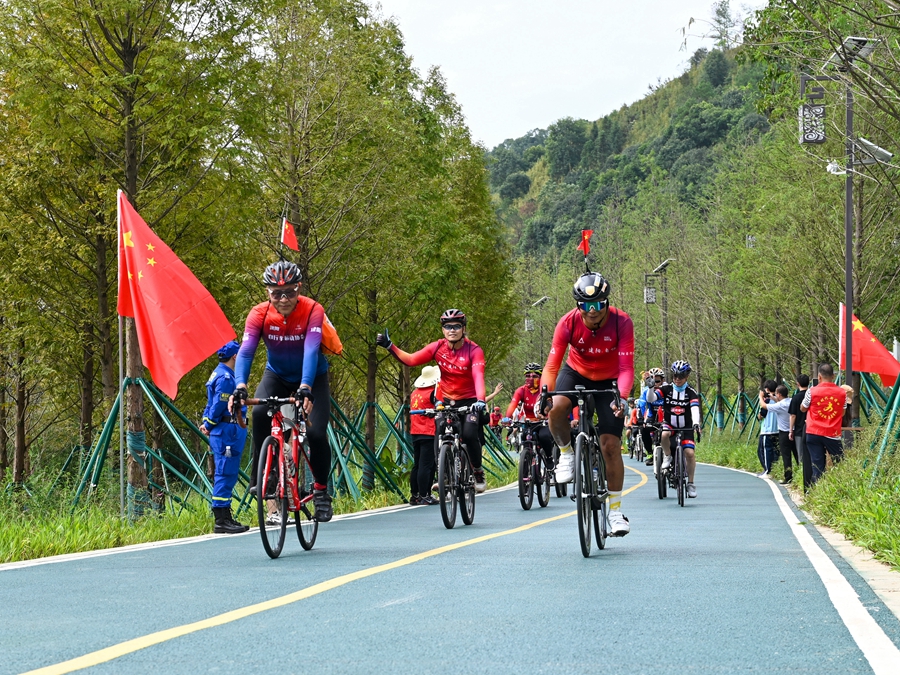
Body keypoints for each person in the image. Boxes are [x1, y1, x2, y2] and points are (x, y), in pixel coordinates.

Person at [232, 260, 334, 523]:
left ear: (298, 288)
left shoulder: (313, 309)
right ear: (268, 292)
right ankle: (264, 478)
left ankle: (322, 491)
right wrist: (240, 385)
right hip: (276, 375)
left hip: (312, 377)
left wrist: (306, 387)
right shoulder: (259, 314)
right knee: (258, 414)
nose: (284, 298)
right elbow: (246, 351)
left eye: (290, 291)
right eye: (277, 293)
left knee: (315, 432)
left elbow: (311, 349)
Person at [539, 271, 635, 536]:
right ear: (577, 305)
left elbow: (627, 367)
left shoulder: (622, 322)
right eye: (585, 306)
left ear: (606, 302)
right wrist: (544, 394)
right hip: (576, 371)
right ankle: (567, 454)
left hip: (610, 379)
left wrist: (623, 397)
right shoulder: (567, 323)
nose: (591, 311)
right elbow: (552, 365)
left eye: (597, 305)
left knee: (611, 446)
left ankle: (615, 513)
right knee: (556, 407)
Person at [377, 308, 489, 493]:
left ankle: (477, 471)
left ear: (463, 328)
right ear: (443, 329)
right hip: (445, 399)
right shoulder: (437, 347)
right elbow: (412, 360)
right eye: (447, 326)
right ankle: (443, 475)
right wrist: (390, 346)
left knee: (469, 434)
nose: (451, 330)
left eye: (456, 326)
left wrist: (481, 400)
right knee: (440, 431)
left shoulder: (474, 350)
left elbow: (478, 376)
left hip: (470, 401)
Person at [200, 340, 250, 534]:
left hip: (225, 429)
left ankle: (225, 516)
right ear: (235, 356)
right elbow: (220, 405)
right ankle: (222, 519)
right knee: (225, 472)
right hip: (227, 430)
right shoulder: (227, 378)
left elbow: (209, 404)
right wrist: (210, 423)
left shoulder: (217, 374)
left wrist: (207, 422)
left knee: (226, 472)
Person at [648, 360, 702, 498]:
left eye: (681, 376)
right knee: (664, 434)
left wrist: (696, 423)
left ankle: (690, 483)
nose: (677, 379)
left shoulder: (691, 392)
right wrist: (650, 388)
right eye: (675, 376)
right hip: (670, 424)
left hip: (686, 427)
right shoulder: (666, 390)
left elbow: (695, 408)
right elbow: (651, 399)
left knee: (689, 453)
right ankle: (667, 456)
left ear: (687, 377)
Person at [801, 364, 850, 487]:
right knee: (840, 463)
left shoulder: (811, 391)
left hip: (813, 432)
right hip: (832, 433)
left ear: (819, 376)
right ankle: (841, 489)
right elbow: (843, 412)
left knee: (817, 465)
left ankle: (818, 492)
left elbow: (803, 408)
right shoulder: (842, 393)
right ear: (833, 376)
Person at [505, 362, 556, 464]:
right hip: (528, 423)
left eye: (534, 376)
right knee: (524, 437)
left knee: (544, 437)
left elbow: (550, 403)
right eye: (527, 375)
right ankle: (526, 465)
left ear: (540, 377)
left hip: (543, 423)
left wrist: (545, 412)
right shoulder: (521, 390)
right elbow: (513, 404)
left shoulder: (544, 389)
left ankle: (549, 458)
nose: (530, 378)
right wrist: (507, 417)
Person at [409, 365, 441, 506]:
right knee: (427, 465)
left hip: (415, 431)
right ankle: (425, 495)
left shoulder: (414, 393)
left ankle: (415, 495)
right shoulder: (433, 392)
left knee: (417, 465)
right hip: (428, 431)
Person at [759, 384, 796, 484]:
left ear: (779, 394)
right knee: (797, 454)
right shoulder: (791, 401)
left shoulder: (780, 405)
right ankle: (799, 474)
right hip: (794, 431)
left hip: (784, 433)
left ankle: (788, 477)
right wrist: (771, 396)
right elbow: (779, 401)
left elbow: (763, 406)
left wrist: (760, 396)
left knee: (786, 456)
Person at [638, 367, 666, 466]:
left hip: (666, 415)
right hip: (652, 415)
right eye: (652, 380)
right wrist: (641, 419)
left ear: (663, 380)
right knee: (644, 429)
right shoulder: (646, 391)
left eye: (657, 380)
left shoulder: (667, 389)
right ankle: (649, 453)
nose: (655, 383)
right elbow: (642, 405)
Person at [788, 374, 811, 490]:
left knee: (801, 454)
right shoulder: (812, 395)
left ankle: (801, 476)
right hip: (811, 428)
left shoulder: (796, 398)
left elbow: (793, 415)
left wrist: (790, 430)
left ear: (798, 384)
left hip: (799, 430)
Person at [756, 380, 779, 476]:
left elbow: (761, 415)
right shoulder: (779, 400)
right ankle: (776, 470)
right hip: (778, 430)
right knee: (776, 451)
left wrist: (760, 398)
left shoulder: (767, 401)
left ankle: (767, 470)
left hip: (767, 430)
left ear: (767, 389)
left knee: (764, 451)